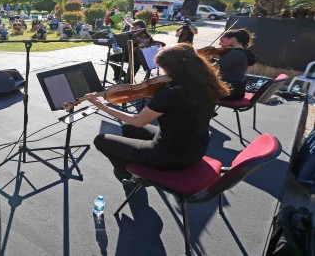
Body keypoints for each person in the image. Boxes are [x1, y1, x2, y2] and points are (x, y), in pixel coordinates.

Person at [91, 43, 230, 182]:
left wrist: (102, 106)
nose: (163, 73)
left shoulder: (171, 93)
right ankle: (139, 169)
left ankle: (128, 175)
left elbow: (138, 121)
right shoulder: (207, 82)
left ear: (172, 68)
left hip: (172, 156)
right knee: (128, 128)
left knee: (101, 140)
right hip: (196, 147)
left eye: (163, 68)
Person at [216, 28, 257, 101]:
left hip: (229, 92)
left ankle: (205, 112)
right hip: (238, 91)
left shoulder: (235, 54)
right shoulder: (244, 52)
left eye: (222, 41)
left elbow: (215, 68)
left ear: (232, 39)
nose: (220, 44)